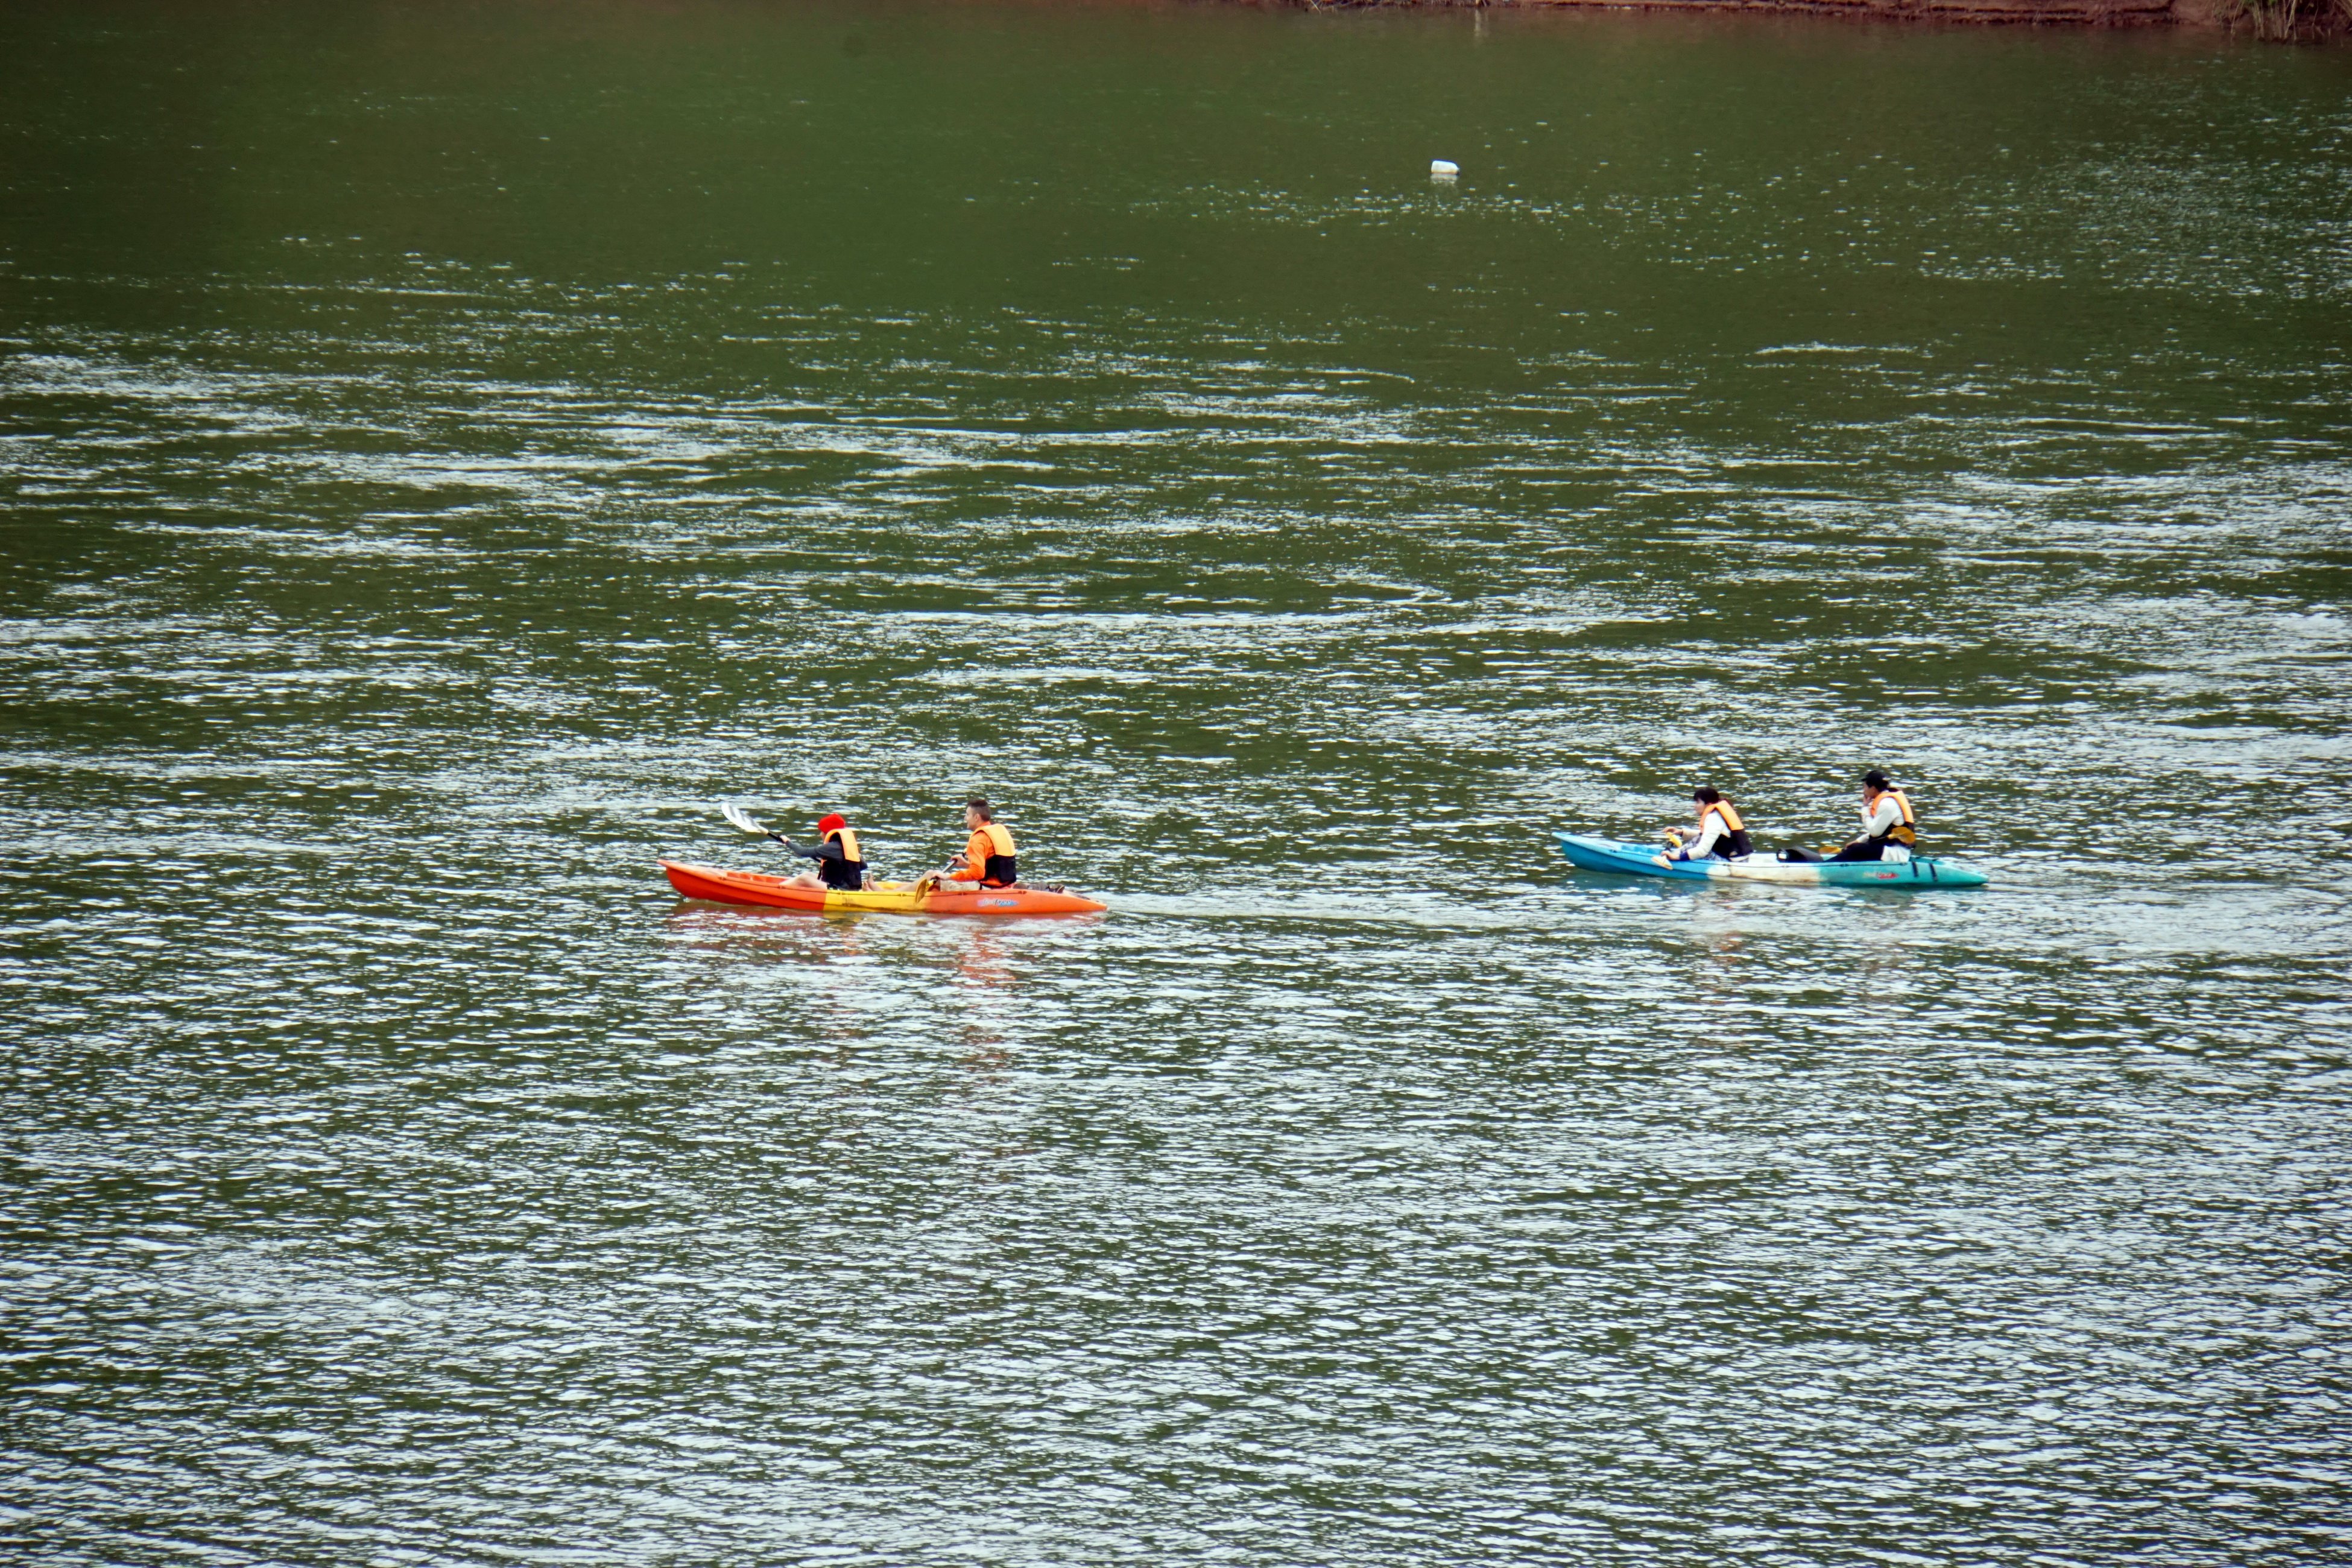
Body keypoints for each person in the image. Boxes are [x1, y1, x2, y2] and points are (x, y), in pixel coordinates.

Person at [1830, 770, 1917, 862]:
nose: (1864, 790)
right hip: (1888, 849)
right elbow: (1882, 831)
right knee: (1855, 847)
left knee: (1856, 850)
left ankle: (1826, 866)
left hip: (1895, 853)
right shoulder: (1887, 801)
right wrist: (1859, 840)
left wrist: (1865, 808)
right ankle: (1831, 863)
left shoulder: (1887, 804)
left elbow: (1875, 832)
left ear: (1873, 788)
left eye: (1865, 787)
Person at [935, 797, 1018, 888]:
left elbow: (978, 873)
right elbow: (993, 868)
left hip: (986, 887)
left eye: (967, 815)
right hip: (1003, 885)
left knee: (932, 876)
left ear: (977, 817)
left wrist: (948, 877)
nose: (965, 818)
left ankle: (918, 899)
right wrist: (966, 864)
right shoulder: (1000, 831)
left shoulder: (977, 839)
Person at [779, 813, 873, 891]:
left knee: (803, 878)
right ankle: (783, 887)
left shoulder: (832, 847)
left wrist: (787, 842)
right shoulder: (846, 846)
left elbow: (802, 852)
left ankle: (779, 890)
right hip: (847, 887)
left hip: (840, 890)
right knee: (808, 874)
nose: (820, 835)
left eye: (822, 832)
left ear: (828, 833)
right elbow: (864, 866)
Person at [1664, 786, 1753, 861]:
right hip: (1740, 858)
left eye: (1698, 802)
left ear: (1708, 804)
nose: (1695, 806)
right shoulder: (1717, 814)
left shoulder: (1713, 818)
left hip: (1732, 862)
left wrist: (1677, 857)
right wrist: (1682, 832)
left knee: (1697, 842)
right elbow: (1709, 835)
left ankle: (1672, 856)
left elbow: (1703, 851)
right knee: (1699, 840)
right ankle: (1674, 854)